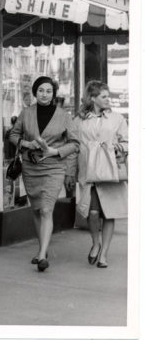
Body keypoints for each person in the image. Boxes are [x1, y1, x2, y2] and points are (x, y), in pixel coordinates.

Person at [9, 76, 79, 272]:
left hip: (54, 167)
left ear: (53, 94)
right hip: (31, 167)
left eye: (48, 91)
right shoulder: (26, 113)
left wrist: (55, 152)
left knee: (47, 209)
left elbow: (75, 144)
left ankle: (41, 256)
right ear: (35, 92)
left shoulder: (64, 115)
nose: (45, 94)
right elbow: (13, 135)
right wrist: (25, 143)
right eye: (41, 90)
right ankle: (43, 248)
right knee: (37, 209)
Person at [71, 80, 128, 269]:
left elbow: (128, 142)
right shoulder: (79, 120)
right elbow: (74, 147)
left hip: (110, 171)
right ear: (92, 98)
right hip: (89, 172)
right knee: (92, 212)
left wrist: (118, 147)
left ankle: (104, 254)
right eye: (103, 96)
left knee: (109, 213)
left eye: (107, 95)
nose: (107, 99)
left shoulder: (117, 119)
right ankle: (96, 242)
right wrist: (70, 173)